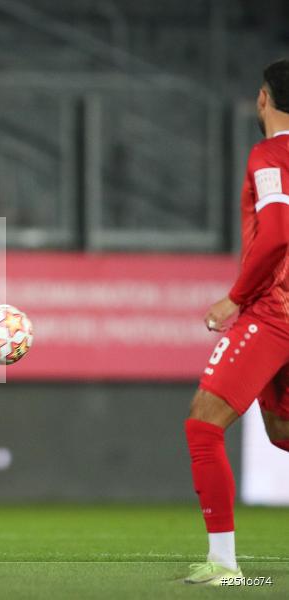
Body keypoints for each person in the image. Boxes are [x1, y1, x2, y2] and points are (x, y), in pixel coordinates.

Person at [184, 58, 289, 585]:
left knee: (203, 424)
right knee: (282, 433)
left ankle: (224, 565)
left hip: (275, 310)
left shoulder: (271, 154)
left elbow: (275, 233)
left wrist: (235, 298)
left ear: (263, 99)